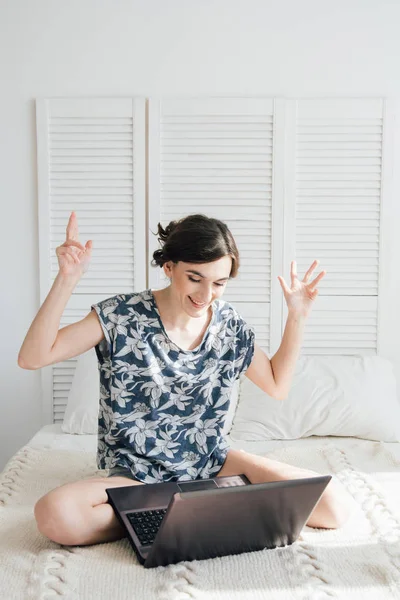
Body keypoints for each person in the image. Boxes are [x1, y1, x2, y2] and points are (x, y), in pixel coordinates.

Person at [18, 212, 355, 547]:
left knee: (332, 506)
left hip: (212, 465)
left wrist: (297, 316)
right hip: (136, 477)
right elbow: (32, 357)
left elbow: (277, 386)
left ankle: (172, 514)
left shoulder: (229, 326)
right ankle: (189, 511)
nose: (206, 293)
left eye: (219, 283)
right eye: (195, 277)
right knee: (56, 514)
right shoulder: (121, 315)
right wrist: (67, 278)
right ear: (169, 267)